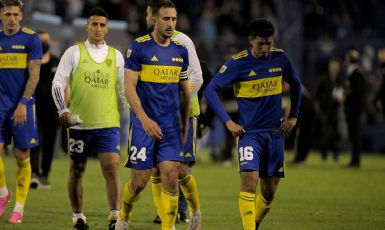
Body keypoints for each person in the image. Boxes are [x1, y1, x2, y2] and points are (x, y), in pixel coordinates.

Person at [204, 19, 302, 230]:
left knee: (269, 191)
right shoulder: (237, 63)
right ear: (251, 40)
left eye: (269, 42)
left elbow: (296, 84)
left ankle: (254, 222)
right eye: (261, 44)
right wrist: (228, 121)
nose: (266, 48)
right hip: (250, 133)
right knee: (249, 182)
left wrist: (293, 116)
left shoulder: (280, 57)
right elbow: (210, 90)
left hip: (275, 133)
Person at [115, 1, 191, 230]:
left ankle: (168, 227)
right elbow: (129, 87)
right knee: (139, 182)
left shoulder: (181, 50)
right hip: (142, 125)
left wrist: (185, 125)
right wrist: (144, 119)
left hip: (170, 126)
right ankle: (124, 215)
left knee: (170, 176)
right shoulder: (138, 48)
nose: (171, 24)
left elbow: (185, 93)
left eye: (174, 19)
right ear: (154, 20)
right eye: (166, 19)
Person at [51, 8, 125, 230]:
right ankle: (78, 217)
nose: (98, 29)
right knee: (77, 170)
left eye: (102, 25)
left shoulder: (116, 55)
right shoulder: (73, 52)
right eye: (94, 24)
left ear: (107, 28)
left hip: (108, 124)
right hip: (80, 125)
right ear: (87, 26)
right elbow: (58, 82)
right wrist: (62, 109)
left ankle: (114, 217)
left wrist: (136, 115)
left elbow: (124, 90)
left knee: (112, 167)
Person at [0, 0, 42, 224]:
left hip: (22, 106)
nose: (12, 18)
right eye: (8, 14)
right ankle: (3, 194)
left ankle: (19, 208)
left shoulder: (31, 39)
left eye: (16, 14)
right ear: (0, 16)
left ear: (21, 16)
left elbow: (35, 75)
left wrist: (24, 102)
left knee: (21, 156)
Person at [145, 0, 202, 228]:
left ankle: (193, 211)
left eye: (170, 17)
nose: (149, 17)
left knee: (180, 169)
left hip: (184, 113)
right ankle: (166, 215)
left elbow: (197, 77)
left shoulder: (182, 40)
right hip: (158, 116)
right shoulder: (146, 44)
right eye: (152, 14)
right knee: (157, 168)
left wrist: (178, 101)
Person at [29, 31, 60, 189]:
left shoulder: (56, 61)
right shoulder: (31, 61)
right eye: (41, 40)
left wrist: (63, 107)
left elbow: (64, 85)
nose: (44, 43)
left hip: (53, 111)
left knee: (49, 144)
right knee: (34, 143)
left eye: (47, 40)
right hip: (34, 109)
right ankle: (34, 173)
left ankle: (45, 174)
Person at [316, 57, 344, 162]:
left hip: (335, 110)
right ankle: (324, 154)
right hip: (324, 110)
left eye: (336, 66)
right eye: (333, 65)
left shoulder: (339, 79)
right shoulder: (323, 78)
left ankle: (335, 154)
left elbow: (341, 91)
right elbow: (317, 94)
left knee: (336, 133)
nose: (334, 68)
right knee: (325, 133)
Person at [344, 50, 366, 168]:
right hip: (354, 109)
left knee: (355, 135)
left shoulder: (356, 73)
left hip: (354, 109)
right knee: (353, 135)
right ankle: (354, 160)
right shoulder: (355, 73)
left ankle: (356, 161)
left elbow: (356, 92)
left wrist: (345, 95)